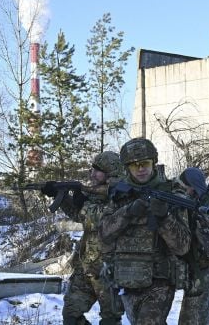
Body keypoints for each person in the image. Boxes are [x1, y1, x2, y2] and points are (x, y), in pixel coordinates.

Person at [100, 138, 191, 325]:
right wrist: (128, 211)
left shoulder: (172, 193)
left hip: (159, 280)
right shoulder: (120, 194)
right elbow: (104, 234)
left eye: (145, 163)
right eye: (135, 166)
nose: (141, 169)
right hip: (127, 278)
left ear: (154, 163)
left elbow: (183, 246)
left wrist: (164, 217)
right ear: (127, 168)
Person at [51, 151, 125, 325]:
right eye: (91, 169)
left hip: (109, 270)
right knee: (71, 315)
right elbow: (79, 216)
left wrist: (82, 201)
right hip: (86, 267)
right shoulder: (93, 194)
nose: (92, 174)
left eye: (97, 170)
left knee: (110, 320)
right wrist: (60, 197)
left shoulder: (122, 194)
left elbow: (97, 220)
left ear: (111, 172)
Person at [176, 167, 209, 325]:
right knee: (197, 302)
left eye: (187, 188)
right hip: (192, 262)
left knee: (191, 313)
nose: (189, 191)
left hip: (207, 263)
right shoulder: (183, 197)